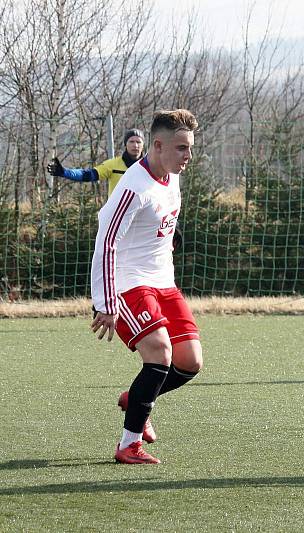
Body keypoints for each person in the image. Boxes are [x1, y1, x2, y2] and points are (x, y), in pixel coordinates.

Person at [90, 109, 202, 464]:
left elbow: (161, 224)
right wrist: (105, 302)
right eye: (182, 148)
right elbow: (105, 243)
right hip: (127, 282)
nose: (188, 156)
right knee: (159, 353)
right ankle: (129, 444)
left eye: (190, 148)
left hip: (162, 281)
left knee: (190, 362)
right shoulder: (133, 187)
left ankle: (135, 398)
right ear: (157, 145)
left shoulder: (172, 176)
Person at [48, 129, 146, 196]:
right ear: (125, 144)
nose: (135, 145)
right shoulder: (113, 164)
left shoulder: (151, 166)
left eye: (138, 142)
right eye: (131, 141)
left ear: (143, 145)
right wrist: (64, 172)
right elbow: (88, 175)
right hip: (118, 215)